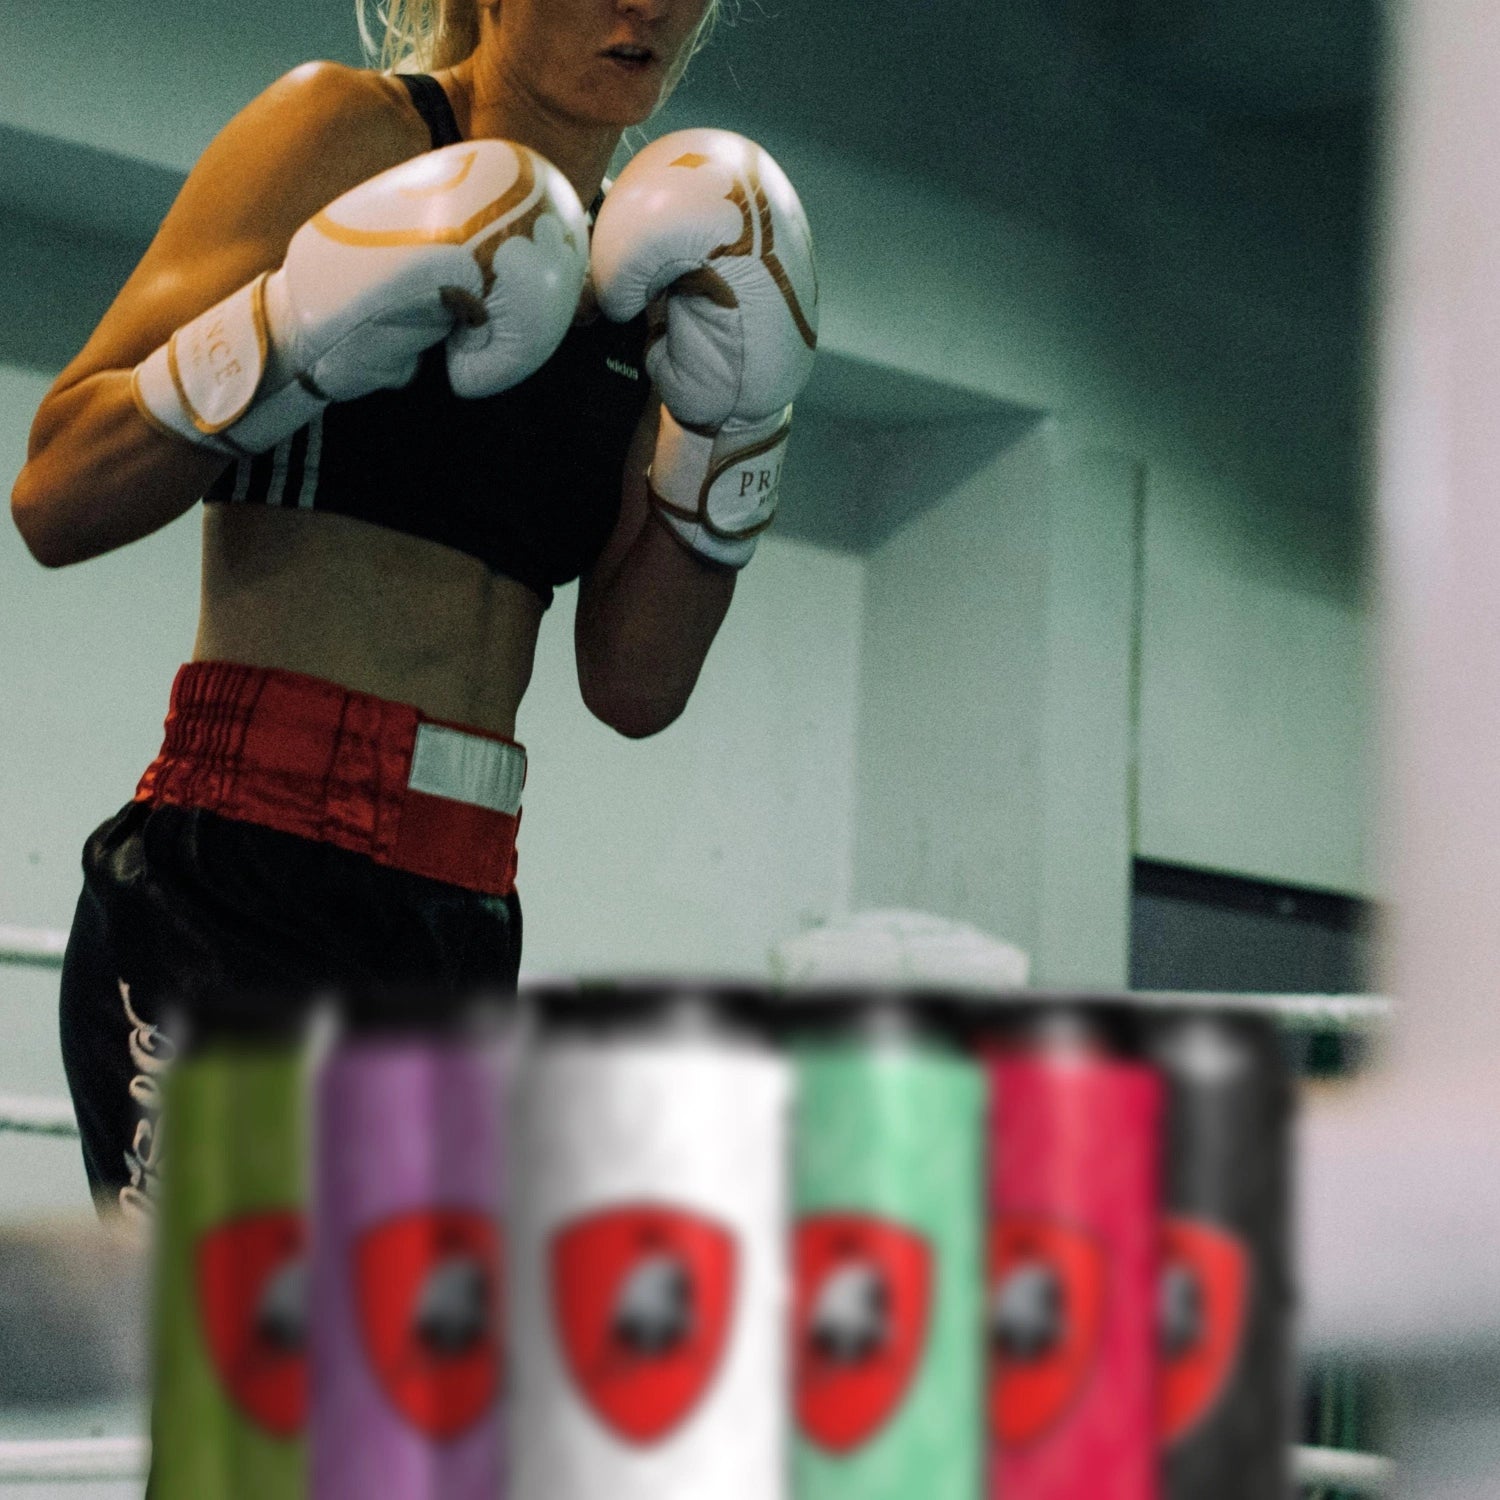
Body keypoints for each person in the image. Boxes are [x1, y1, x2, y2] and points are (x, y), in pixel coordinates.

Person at [9, 0, 818, 1220]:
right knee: (252, 1389)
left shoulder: (655, 268)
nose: (645, 4)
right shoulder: (348, 135)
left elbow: (635, 686)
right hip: (238, 878)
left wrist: (738, 432)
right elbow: (56, 491)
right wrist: (286, 332)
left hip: (459, 904)